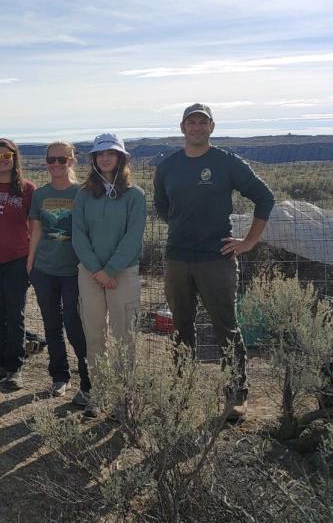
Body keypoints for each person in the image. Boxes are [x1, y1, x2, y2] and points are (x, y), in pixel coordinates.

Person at [153, 104, 274, 421]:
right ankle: (182, 389)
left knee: (226, 327)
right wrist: (184, 226)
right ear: (182, 128)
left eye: (202, 122)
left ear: (212, 127)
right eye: (190, 122)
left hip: (216, 258)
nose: (196, 127)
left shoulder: (225, 163)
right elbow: (163, 207)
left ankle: (236, 394)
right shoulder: (168, 166)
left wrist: (248, 242)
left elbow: (265, 197)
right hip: (178, 257)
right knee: (181, 327)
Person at [72, 134, 146, 417]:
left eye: (111, 153)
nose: (105, 158)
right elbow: (78, 234)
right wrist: (96, 270)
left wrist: (111, 270)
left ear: (121, 158)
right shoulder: (84, 194)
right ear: (93, 159)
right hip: (90, 274)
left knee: (124, 336)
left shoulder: (135, 195)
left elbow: (133, 236)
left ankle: (123, 400)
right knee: (94, 334)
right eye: (100, 154)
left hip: (123, 274)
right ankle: (99, 394)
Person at [27, 141, 91, 401]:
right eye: (51, 159)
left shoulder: (82, 193)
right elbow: (36, 230)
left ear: (72, 161)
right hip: (44, 269)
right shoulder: (40, 194)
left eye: (61, 160)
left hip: (74, 271)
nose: (56, 164)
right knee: (51, 324)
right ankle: (59, 376)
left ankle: (88, 380)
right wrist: (29, 263)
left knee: (75, 326)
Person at [0, 138, 36, 390]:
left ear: (14, 157)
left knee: (15, 316)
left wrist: (31, 263)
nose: (1, 160)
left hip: (17, 261)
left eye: (6, 156)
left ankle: (15, 368)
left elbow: (34, 229)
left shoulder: (27, 189)